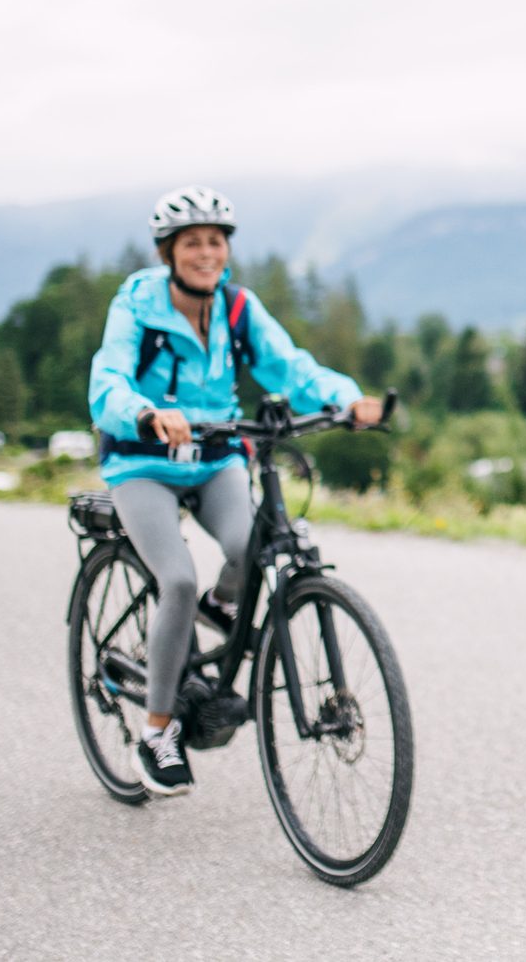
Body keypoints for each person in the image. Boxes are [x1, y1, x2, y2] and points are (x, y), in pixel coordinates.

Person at [87, 185, 381, 797]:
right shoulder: (138, 306)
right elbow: (108, 379)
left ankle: (222, 607)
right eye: (192, 242)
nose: (206, 253)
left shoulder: (237, 308)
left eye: (215, 241)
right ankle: (158, 732)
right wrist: (145, 414)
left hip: (217, 455)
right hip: (144, 461)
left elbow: (290, 367)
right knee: (177, 579)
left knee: (257, 548)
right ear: (168, 252)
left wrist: (344, 398)